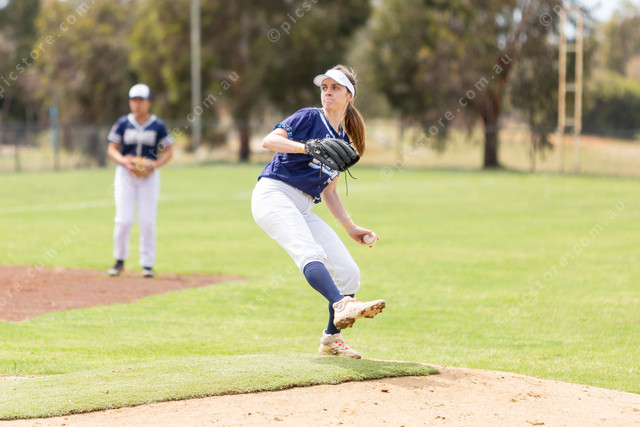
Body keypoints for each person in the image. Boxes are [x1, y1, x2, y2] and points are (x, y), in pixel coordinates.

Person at [251, 65, 386, 359]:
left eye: (335, 87)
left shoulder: (342, 142)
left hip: (303, 206)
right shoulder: (309, 117)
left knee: (349, 274)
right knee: (310, 253)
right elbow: (268, 141)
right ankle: (342, 305)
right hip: (273, 195)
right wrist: (306, 147)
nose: (328, 92)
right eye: (324, 87)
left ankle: (331, 339)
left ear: (349, 96)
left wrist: (350, 227)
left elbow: (330, 192)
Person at [106, 83, 173, 278]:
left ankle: (147, 264)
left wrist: (156, 164)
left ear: (148, 103)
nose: (137, 104)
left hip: (149, 176)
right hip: (125, 174)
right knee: (123, 220)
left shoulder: (157, 125)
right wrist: (123, 161)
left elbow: (169, 151)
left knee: (147, 221)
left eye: (141, 100)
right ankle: (119, 260)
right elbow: (112, 148)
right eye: (134, 100)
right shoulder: (123, 123)